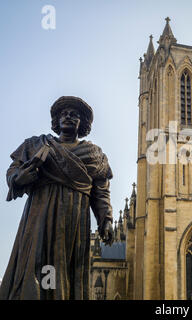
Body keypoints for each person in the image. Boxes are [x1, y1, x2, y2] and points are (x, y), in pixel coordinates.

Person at [0, 96, 114, 299]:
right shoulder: (37, 145)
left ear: (83, 123)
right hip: (39, 216)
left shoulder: (94, 154)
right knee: (37, 264)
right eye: (64, 114)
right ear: (56, 121)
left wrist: (106, 219)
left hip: (74, 219)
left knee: (66, 269)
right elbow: (12, 172)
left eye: (75, 115)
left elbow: (102, 190)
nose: (68, 117)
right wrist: (19, 178)